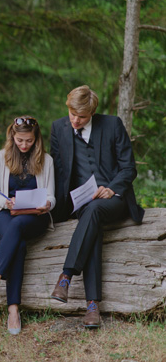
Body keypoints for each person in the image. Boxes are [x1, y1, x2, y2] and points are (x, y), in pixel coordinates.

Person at [48, 85, 144, 328]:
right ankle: (92, 305)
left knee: (94, 213)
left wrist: (112, 188)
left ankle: (67, 276)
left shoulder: (112, 125)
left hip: (114, 199)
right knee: (91, 217)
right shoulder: (59, 128)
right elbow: (57, 173)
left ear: (92, 113)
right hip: (81, 202)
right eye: (72, 114)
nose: (75, 121)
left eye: (81, 117)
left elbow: (128, 168)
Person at [0, 116, 55, 335]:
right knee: (19, 245)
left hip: (35, 216)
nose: (24, 145)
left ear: (37, 139)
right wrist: (7, 201)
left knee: (19, 226)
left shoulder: (46, 160)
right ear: (12, 136)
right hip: (6, 211)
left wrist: (48, 204)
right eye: (20, 140)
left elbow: (52, 195)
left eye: (29, 141)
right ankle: (13, 310)